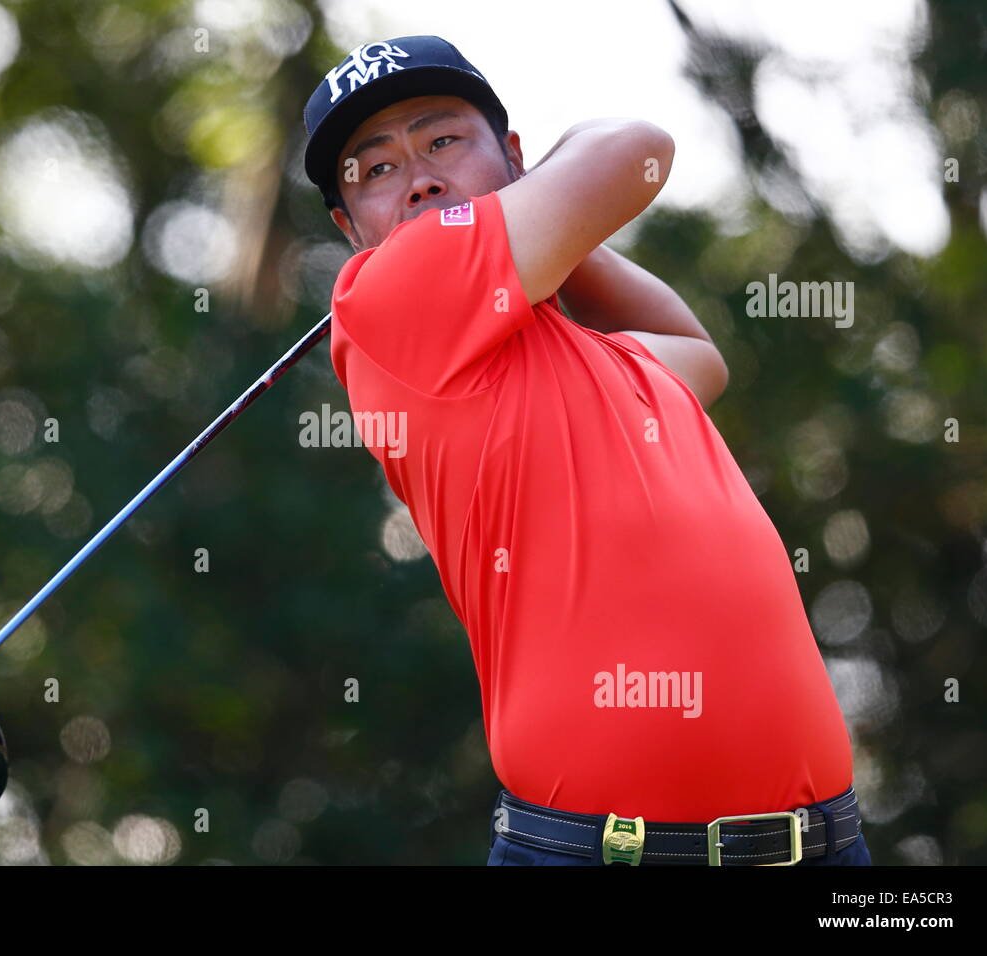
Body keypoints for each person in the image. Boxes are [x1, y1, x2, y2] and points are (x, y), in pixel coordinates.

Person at [301, 35, 870, 866]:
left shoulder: (587, 358)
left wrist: (555, 237)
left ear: (515, 158)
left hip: (823, 845)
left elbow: (698, 358)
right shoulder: (385, 298)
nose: (418, 176)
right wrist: (538, 214)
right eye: (375, 169)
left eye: (443, 140)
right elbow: (637, 150)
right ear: (352, 231)